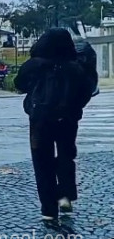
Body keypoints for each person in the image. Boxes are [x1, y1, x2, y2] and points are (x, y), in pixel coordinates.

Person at [14, 28, 95, 221]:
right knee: (67, 156)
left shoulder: (35, 64)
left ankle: (48, 209)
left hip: (40, 119)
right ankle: (66, 194)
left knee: (42, 162)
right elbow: (86, 91)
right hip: (68, 119)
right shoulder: (75, 67)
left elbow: (19, 84)